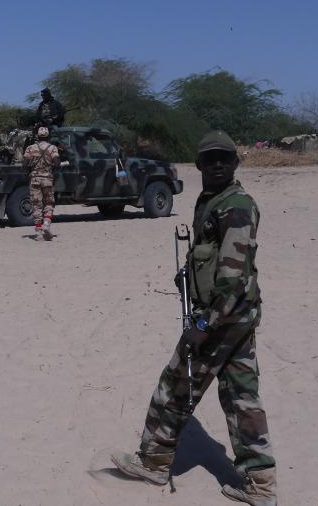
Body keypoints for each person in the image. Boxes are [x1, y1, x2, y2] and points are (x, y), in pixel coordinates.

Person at [111, 130, 277, 506]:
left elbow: (232, 278)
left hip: (221, 319)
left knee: (174, 388)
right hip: (237, 316)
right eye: (210, 159)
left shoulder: (235, 206)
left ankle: (153, 461)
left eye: (224, 158)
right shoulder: (214, 200)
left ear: (235, 163)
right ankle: (261, 484)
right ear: (199, 164)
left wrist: (204, 325)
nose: (217, 164)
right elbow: (213, 258)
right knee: (241, 396)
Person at [23, 126, 59, 240]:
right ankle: (46, 224)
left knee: (36, 205)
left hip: (34, 179)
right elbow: (57, 163)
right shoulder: (52, 148)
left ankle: (38, 233)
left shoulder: (30, 148)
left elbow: (24, 164)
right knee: (49, 203)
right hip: (47, 179)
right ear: (48, 136)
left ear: (37, 136)